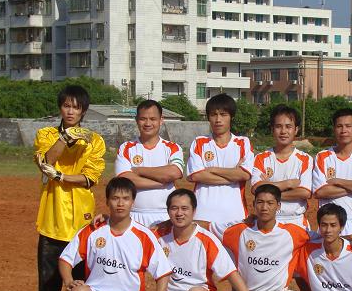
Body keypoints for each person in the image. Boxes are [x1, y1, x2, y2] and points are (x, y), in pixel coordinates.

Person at [59, 177, 172, 291]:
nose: (120, 203)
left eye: (125, 198)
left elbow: (163, 274)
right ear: (107, 201)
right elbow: (65, 259)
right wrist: (68, 280)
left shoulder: (144, 236)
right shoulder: (93, 230)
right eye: (115, 198)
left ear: (133, 202)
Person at [202, 184, 317, 291]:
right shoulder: (238, 230)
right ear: (254, 205)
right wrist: (171, 222)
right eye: (260, 202)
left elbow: (327, 236)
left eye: (270, 203)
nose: (264, 207)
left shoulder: (293, 232)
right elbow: (204, 227)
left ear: (278, 206)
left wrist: (350, 237)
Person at [33, 85, 106, 291]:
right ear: (60, 108)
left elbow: (90, 178)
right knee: (49, 280)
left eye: (76, 107)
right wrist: (64, 138)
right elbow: (45, 160)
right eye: (67, 106)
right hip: (52, 218)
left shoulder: (95, 140)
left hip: (81, 221)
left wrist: (62, 177)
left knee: (85, 280)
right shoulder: (46, 134)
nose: (71, 111)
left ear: (84, 111)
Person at [186, 94, 254, 228]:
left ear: (231, 117)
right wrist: (233, 174)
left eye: (223, 114)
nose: (218, 120)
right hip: (202, 215)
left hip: (235, 215)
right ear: (208, 118)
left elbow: (245, 175)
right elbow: (196, 175)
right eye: (213, 115)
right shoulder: (199, 142)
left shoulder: (243, 143)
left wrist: (212, 169)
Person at [312, 108, 352, 247]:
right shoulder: (322, 156)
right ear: (334, 129)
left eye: (348, 126)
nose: (344, 130)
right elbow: (320, 192)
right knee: (327, 260)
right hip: (329, 225)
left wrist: (338, 181)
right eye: (339, 126)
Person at [115, 99, 184, 227]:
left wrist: (139, 170)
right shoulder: (126, 148)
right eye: (143, 119)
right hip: (134, 215)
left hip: (165, 215)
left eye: (153, 119)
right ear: (136, 120)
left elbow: (174, 172)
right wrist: (162, 182)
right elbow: (125, 180)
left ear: (161, 120)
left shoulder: (173, 148)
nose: (148, 123)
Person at [251, 104, 313, 229]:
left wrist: (268, 190)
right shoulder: (261, 158)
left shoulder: (305, 159)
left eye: (288, 126)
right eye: (278, 126)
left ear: (296, 130)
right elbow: (256, 189)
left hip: (296, 222)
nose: (283, 131)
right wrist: (288, 184)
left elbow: (305, 192)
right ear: (272, 129)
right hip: (268, 222)